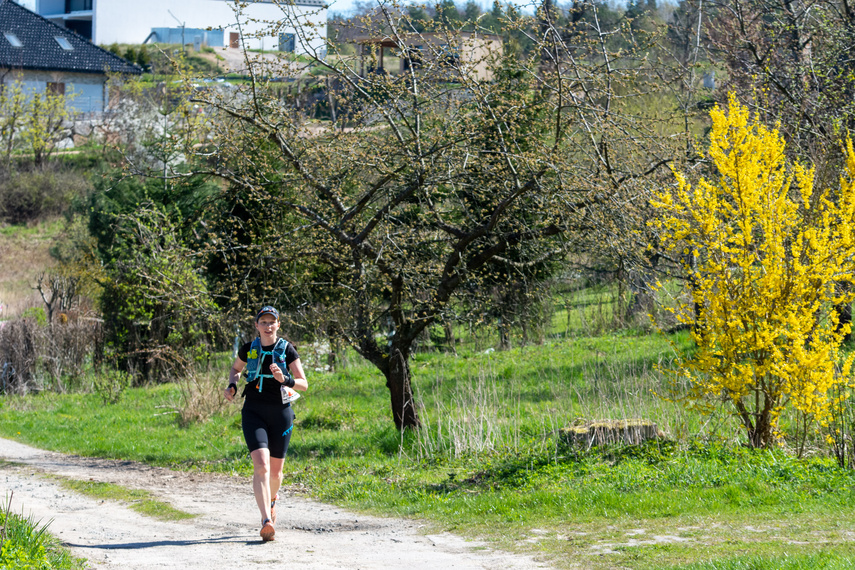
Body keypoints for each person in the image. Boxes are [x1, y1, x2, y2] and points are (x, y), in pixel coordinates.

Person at [224, 306, 308, 541]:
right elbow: (236, 369)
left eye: (272, 322)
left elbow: (303, 383)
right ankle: (266, 520)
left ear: (278, 325)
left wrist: (285, 379)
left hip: (281, 413)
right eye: (264, 322)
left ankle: (272, 501)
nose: (268, 326)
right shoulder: (249, 348)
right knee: (261, 465)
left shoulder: (287, 349)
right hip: (254, 411)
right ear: (257, 325)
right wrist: (232, 385)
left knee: (276, 472)